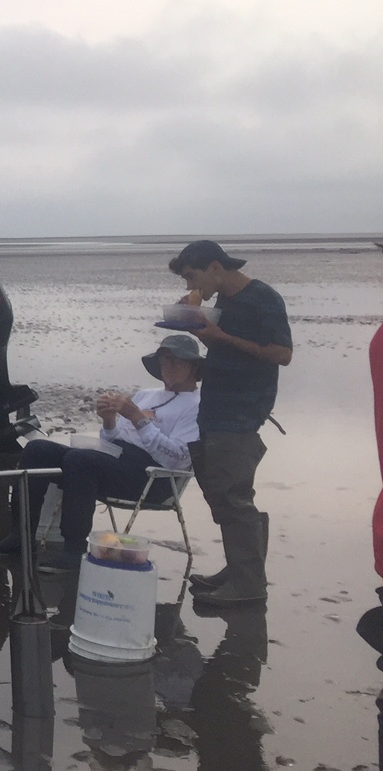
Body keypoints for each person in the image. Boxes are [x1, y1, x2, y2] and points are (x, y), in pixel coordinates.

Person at [0, 333, 204, 572]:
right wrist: (109, 422)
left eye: (177, 360)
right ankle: (21, 534)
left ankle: (74, 549)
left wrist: (137, 417)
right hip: (118, 461)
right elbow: (112, 441)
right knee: (38, 449)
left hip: (154, 478)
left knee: (81, 460)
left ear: (193, 367)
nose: (168, 366)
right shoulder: (146, 395)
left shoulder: (197, 405)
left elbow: (178, 459)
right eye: (165, 360)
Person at [169, 240, 293, 607]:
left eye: (193, 277)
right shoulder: (224, 301)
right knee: (219, 490)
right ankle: (239, 568)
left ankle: (248, 583)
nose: (192, 285)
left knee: (233, 493)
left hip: (242, 409)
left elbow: (282, 354)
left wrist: (221, 337)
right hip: (216, 404)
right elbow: (223, 347)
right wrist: (194, 326)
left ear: (214, 267)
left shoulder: (263, 298)